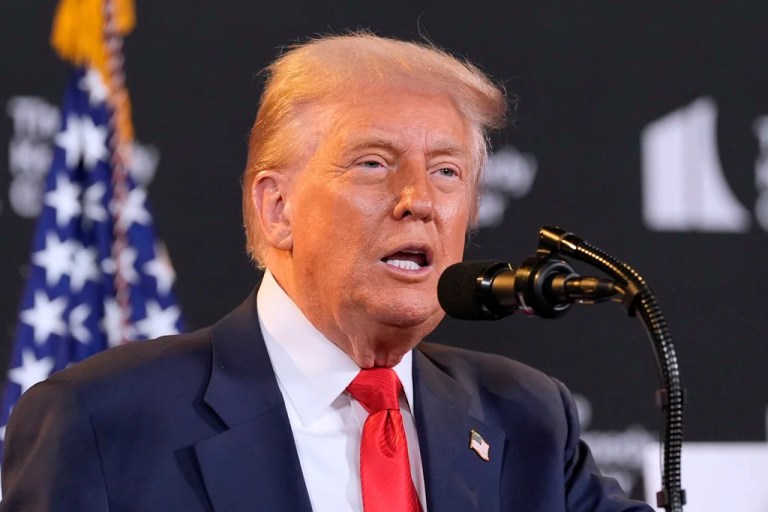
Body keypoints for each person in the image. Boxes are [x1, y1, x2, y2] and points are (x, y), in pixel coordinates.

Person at [0, 32, 652, 511]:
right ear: (277, 207)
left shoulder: (526, 419)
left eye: (447, 171)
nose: (419, 199)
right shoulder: (104, 422)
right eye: (373, 162)